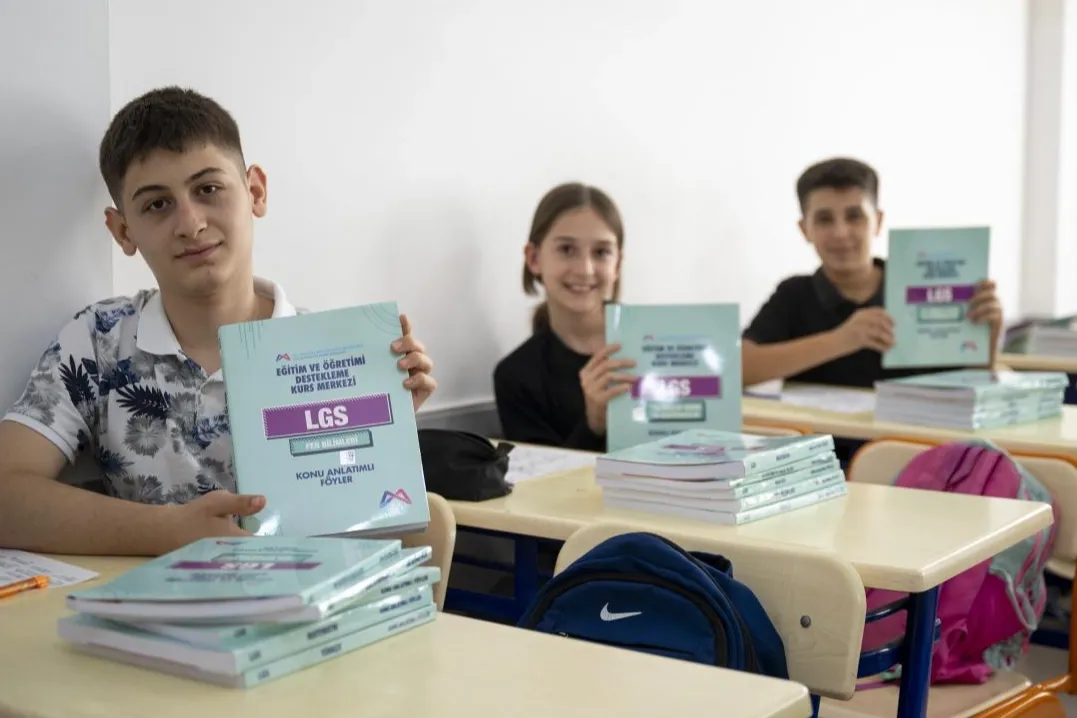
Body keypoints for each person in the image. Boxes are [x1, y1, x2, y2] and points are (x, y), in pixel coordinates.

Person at [0, 87, 436, 556]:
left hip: (302, 594)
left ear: (255, 192)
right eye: (157, 204)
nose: (190, 224)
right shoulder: (98, 342)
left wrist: (382, 431)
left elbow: (368, 533)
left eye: (208, 189)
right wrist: (168, 532)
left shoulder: (329, 352)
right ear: (123, 231)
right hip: (151, 601)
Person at [742, 157, 1004, 388]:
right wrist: (842, 340)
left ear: (877, 221)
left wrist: (987, 338)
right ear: (804, 229)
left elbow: (970, 385)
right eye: (824, 219)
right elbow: (739, 368)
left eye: (855, 216)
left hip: (912, 429)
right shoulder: (794, 295)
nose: (840, 233)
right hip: (822, 429)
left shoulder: (922, 286)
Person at [493, 182, 634, 451]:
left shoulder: (655, 344)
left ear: (617, 264)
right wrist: (593, 425)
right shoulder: (516, 377)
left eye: (601, 252)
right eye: (567, 249)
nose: (585, 269)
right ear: (534, 259)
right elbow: (540, 474)